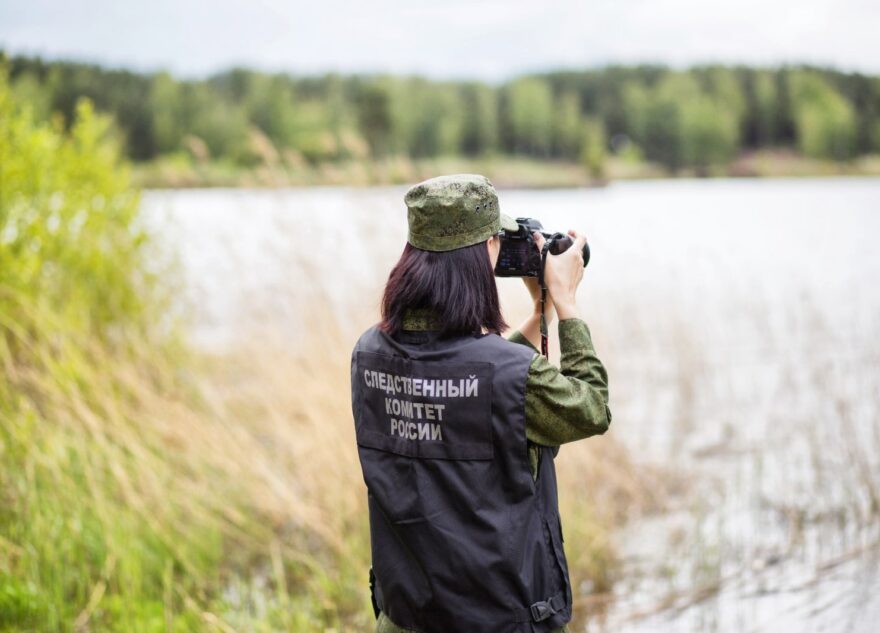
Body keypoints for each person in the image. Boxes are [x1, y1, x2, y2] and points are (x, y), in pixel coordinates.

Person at [350, 174, 611, 633]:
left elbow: (471, 380)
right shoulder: (508, 373)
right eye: (498, 240)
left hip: (406, 617)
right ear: (486, 250)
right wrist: (566, 304)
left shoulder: (369, 353)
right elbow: (590, 407)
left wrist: (537, 315)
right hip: (497, 620)